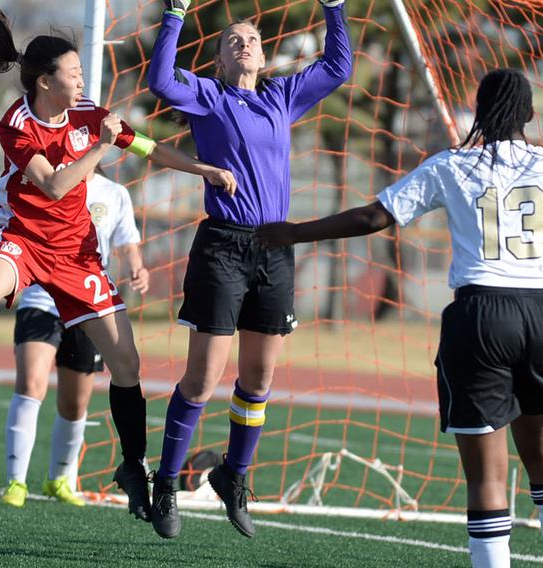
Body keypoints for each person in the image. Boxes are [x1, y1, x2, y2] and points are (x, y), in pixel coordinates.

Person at [254, 68, 543, 568]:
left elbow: (371, 218)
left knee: (488, 475)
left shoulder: (451, 166)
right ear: (531, 115)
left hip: (480, 314)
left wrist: (291, 233)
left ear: (481, 110)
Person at [0, 0, 235, 524]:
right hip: (25, 239)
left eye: (83, 72)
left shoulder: (89, 115)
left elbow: (146, 146)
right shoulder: (15, 124)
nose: (82, 80)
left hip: (76, 252)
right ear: (44, 82)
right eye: (74, 73)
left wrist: (200, 168)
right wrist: (102, 148)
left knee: (126, 364)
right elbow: (57, 184)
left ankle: (132, 467)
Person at [146, 0, 352, 539]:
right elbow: (162, 80)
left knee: (258, 379)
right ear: (218, 58)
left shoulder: (282, 97)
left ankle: (233, 477)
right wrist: (174, 16)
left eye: (254, 40)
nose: (245, 44)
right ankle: (165, 481)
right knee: (204, 376)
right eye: (233, 39)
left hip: (275, 248)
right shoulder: (208, 96)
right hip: (221, 247)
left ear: (263, 57)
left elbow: (337, 68)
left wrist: (334, 8)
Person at [1, 170, 149, 508]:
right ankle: (15, 482)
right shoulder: (48, 180)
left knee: (75, 402)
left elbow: (127, 243)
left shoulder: (114, 193)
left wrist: (137, 267)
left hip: (88, 305)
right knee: (31, 384)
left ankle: (61, 480)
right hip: (41, 299)